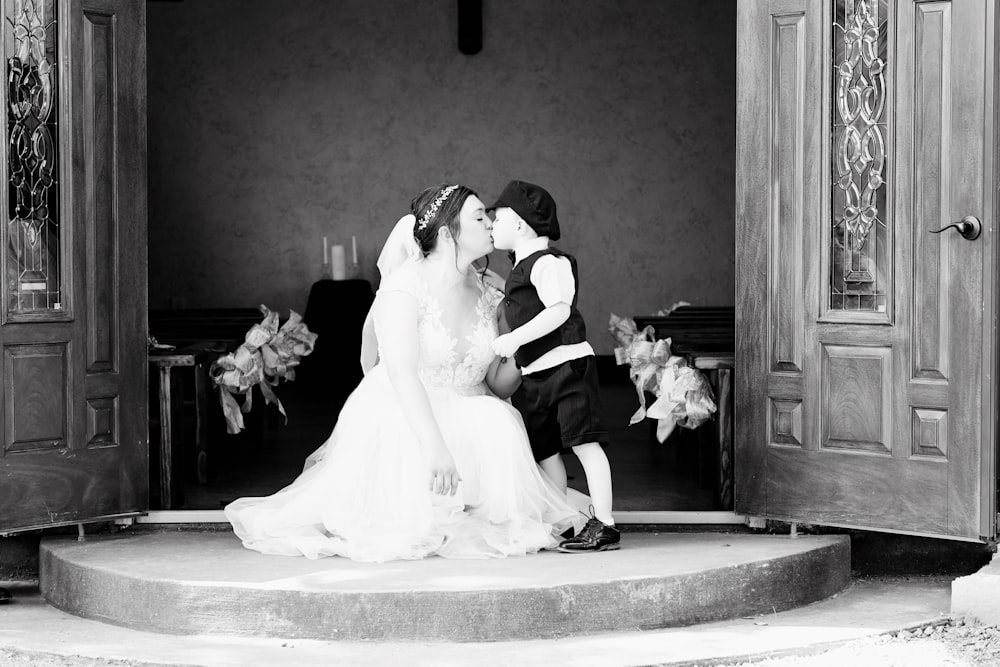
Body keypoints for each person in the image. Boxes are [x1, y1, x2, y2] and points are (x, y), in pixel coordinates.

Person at [225, 184, 582, 562]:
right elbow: (400, 373)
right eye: (480, 216)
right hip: (407, 411)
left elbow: (496, 383)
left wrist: (527, 338)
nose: (492, 222)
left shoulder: (490, 293)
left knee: (497, 420)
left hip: (473, 411)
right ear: (448, 234)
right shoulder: (404, 287)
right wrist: (436, 446)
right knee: (407, 502)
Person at [488, 180, 620, 553]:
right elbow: (523, 300)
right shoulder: (522, 266)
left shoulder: (550, 262)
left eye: (496, 219)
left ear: (518, 223)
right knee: (544, 449)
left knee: (585, 443)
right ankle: (562, 519)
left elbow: (559, 310)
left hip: (566, 368)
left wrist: (514, 340)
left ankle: (605, 524)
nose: (491, 226)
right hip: (534, 375)